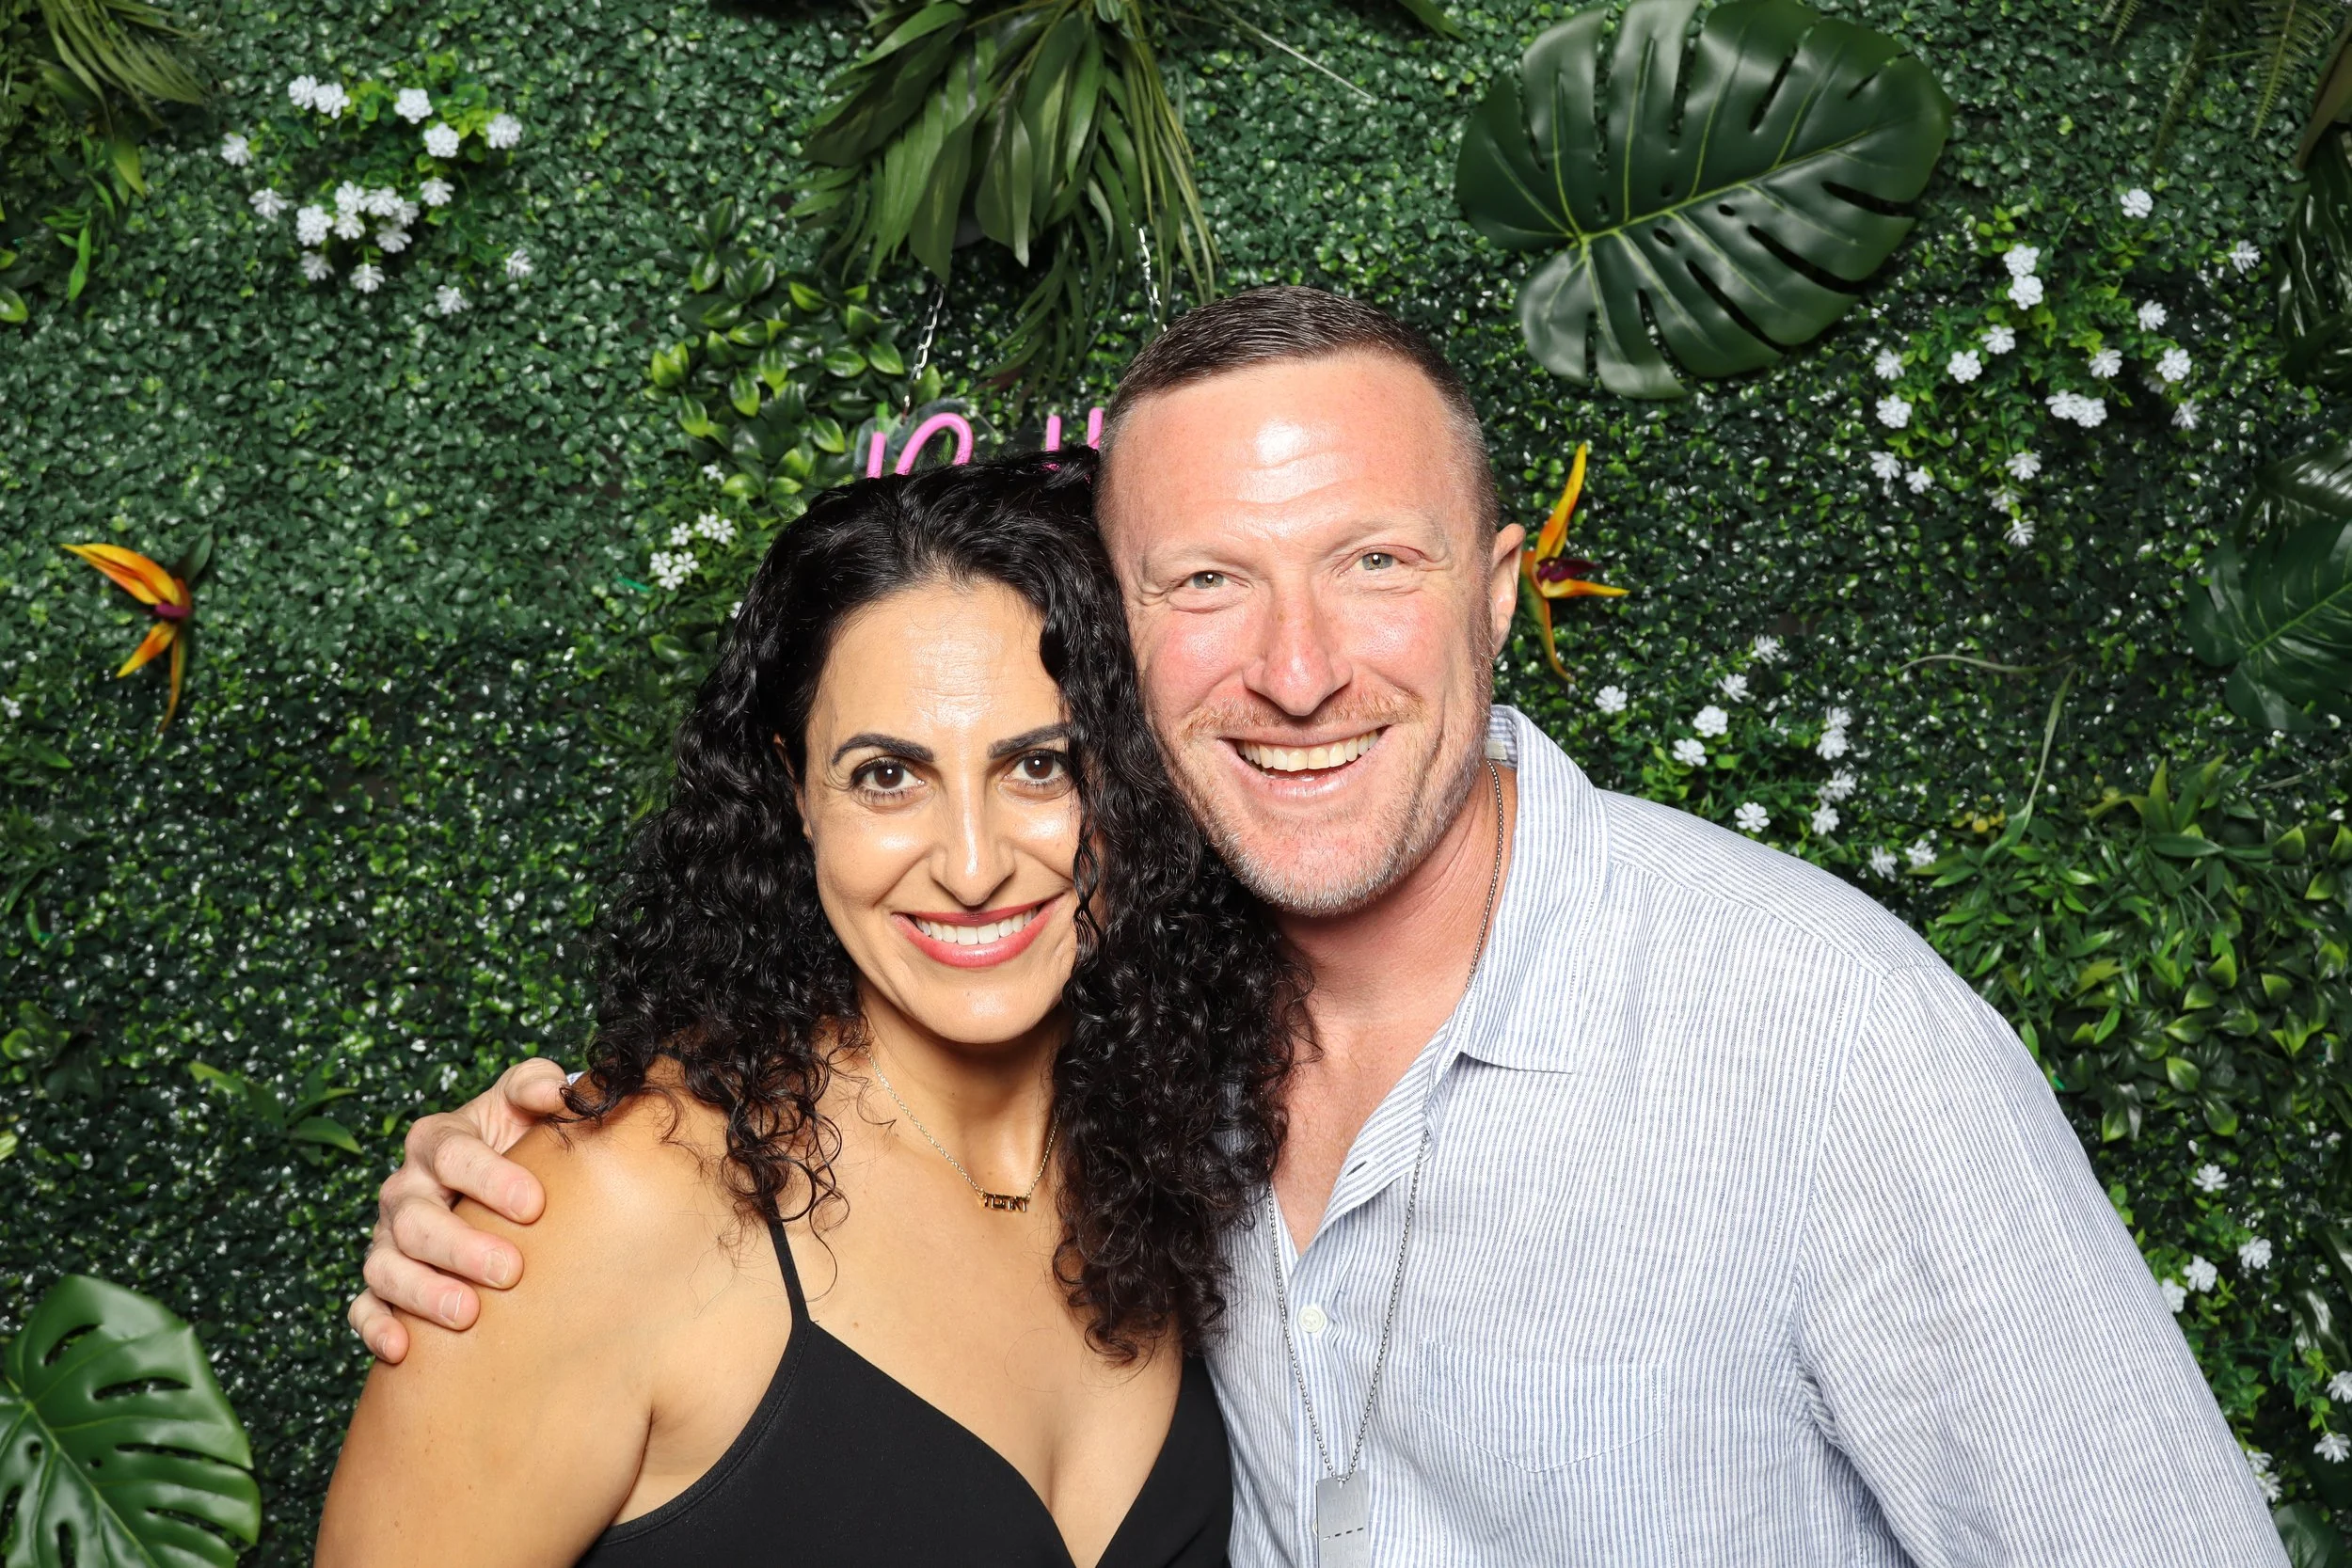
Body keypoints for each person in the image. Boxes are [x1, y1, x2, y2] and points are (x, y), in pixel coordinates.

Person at [352, 287, 2286, 1565]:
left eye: (1371, 562)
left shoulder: (1818, 1036)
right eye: (1207, 580)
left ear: (1501, 590)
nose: (1292, 669)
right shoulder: (1177, 1066)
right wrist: (509, 1199)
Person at [316, 454, 1294, 1565]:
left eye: (1040, 765)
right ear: (795, 792)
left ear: (1129, 778)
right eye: (888, 775)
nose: (972, 865)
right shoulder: (610, 1203)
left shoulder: (1188, 1148)